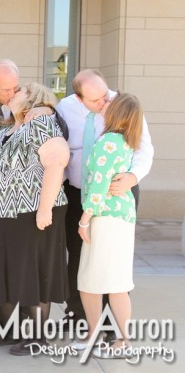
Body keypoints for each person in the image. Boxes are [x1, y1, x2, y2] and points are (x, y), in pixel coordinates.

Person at [0, 83, 70, 356]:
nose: (13, 92)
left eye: (21, 90)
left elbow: (57, 160)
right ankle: (5, 330)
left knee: (33, 274)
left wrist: (45, 209)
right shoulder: (4, 131)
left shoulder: (42, 123)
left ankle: (36, 337)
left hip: (31, 213)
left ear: (35, 100)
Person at [56, 70, 153, 330]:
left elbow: (145, 149)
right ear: (79, 98)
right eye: (96, 100)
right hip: (77, 192)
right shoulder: (64, 108)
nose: (103, 103)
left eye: (105, 95)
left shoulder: (120, 105)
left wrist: (132, 177)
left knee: (113, 261)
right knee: (77, 256)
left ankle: (111, 326)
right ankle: (78, 317)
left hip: (117, 193)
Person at [73, 93, 143, 358]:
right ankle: (100, 336)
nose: (104, 105)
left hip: (106, 218)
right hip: (119, 216)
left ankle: (117, 341)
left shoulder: (109, 142)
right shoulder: (124, 141)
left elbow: (99, 185)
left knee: (101, 281)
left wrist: (84, 219)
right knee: (101, 281)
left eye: (109, 104)